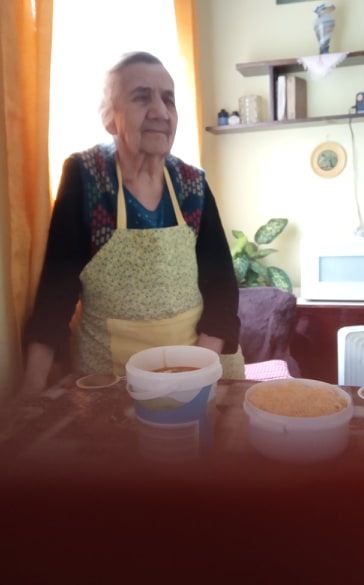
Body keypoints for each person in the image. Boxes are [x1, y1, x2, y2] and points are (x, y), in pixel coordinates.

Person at [21, 51, 244, 394]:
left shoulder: (192, 184)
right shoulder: (86, 178)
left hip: (199, 366)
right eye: (142, 97)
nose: (160, 112)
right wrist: (31, 391)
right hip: (110, 380)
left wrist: (191, 373)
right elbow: (56, 292)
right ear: (109, 118)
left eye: (168, 99)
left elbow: (222, 289)